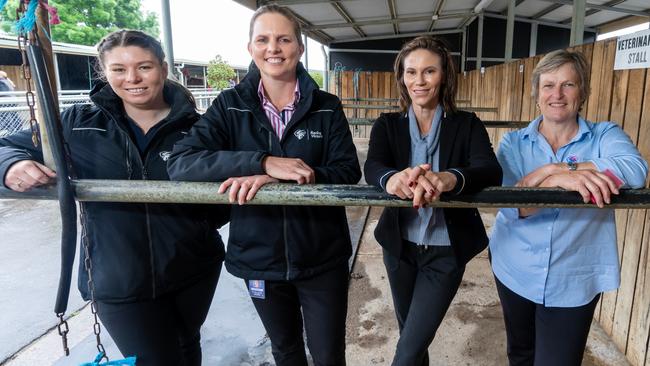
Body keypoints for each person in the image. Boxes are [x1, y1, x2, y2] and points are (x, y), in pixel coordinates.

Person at [0, 30, 228, 366]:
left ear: (163, 69)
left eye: (144, 67)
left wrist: (195, 224)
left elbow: (227, 189)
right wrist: (11, 164)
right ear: (104, 73)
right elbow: (7, 145)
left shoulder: (200, 128)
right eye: (119, 69)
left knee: (186, 345)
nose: (133, 78)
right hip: (117, 277)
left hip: (193, 268)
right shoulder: (78, 122)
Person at [167, 5, 361, 366]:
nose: (274, 47)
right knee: (285, 349)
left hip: (321, 255)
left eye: (284, 39)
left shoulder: (326, 107)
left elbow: (348, 169)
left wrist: (296, 174)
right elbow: (181, 161)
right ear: (251, 48)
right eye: (264, 39)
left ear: (299, 48)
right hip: (259, 256)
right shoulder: (229, 106)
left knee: (328, 353)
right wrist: (260, 162)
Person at [489, 49, 648, 366]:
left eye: (568, 85)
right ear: (537, 95)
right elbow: (513, 207)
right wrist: (552, 177)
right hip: (515, 266)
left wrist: (565, 170)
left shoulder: (605, 134)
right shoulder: (514, 142)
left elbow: (635, 170)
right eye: (548, 86)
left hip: (573, 277)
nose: (557, 95)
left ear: (583, 92)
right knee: (520, 353)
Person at [364, 36, 502, 366]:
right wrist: (392, 179)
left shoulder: (467, 124)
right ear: (401, 78)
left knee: (408, 350)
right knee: (412, 337)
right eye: (411, 72)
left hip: (445, 251)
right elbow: (374, 165)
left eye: (429, 72)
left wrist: (449, 177)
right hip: (399, 248)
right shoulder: (387, 124)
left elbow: (489, 169)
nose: (419, 81)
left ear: (444, 77)